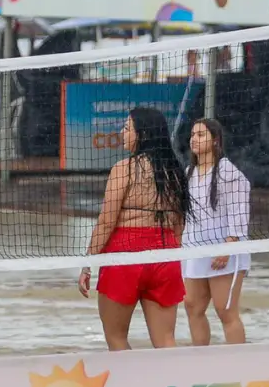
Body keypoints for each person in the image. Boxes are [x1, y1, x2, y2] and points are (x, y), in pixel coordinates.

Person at [78, 106, 189, 351]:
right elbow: (179, 224)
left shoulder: (124, 169)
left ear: (143, 134)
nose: (122, 132)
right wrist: (172, 255)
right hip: (165, 252)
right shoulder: (175, 171)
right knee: (166, 341)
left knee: (116, 338)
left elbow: (107, 221)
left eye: (127, 128)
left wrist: (88, 263)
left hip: (126, 253)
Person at [182, 119, 250, 345]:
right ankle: (202, 360)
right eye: (192, 135)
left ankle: (237, 363)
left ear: (215, 140)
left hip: (224, 248)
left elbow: (239, 210)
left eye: (201, 135)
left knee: (225, 310)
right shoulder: (189, 172)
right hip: (195, 248)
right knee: (192, 305)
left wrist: (228, 247)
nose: (194, 139)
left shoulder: (227, 171)